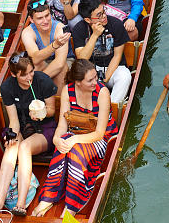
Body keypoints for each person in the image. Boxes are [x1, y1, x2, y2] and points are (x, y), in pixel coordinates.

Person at [31, 59, 118, 218]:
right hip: (76, 133)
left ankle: (72, 204)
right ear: (78, 82)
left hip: (101, 138)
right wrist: (57, 139)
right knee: (63, 144)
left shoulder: (102, 92)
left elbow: (100, 133)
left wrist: (74, 140)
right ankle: (49, 196)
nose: (95, 82)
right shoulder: (67, 90)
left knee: (74, 149)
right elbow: (63, 125)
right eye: (90, 80)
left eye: (95, 78)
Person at [0, 53, 57, 216]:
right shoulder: (8, 87)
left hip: (44, 128)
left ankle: (21, 203)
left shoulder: (43, 81)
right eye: (24, 75)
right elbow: (14, 121)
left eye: (31, 71)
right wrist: (11, 136)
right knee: (12, 146)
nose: (29, 76)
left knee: (24, 147)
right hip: (22, 126)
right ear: (14, 74)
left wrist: (42, 113)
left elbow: (52, 110)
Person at [72, 0, 131, 103]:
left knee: (125, 76)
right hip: (90, 69)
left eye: (104, 11)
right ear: (88, 20)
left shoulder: (116, 24)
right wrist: (94, 35)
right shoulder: (79, 29)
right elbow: (82, 58)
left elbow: (117, 56)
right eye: (99, 15)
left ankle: (111, 107)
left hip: (113, 69)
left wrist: (103, 81)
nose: (104, 17)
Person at [22, 0, 70, 93]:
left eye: (47, 15)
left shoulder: (60, 28)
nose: (45, 21)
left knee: (62, 69)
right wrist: (55, 45)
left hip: (65, 61)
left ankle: (58, 100)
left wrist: (38, 81)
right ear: (31, 20)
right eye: (40, 18)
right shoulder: (27, 32)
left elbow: (59, 63)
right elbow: (35, 59)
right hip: (42, 61)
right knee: (34, 66)